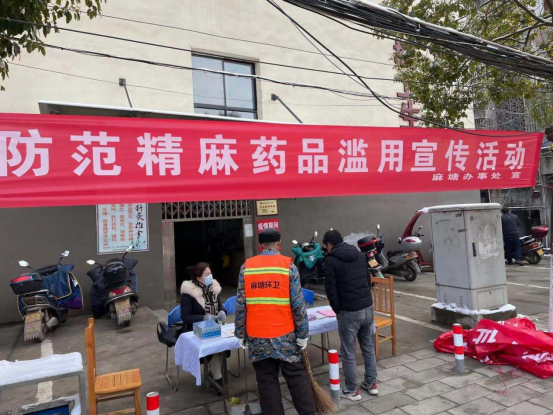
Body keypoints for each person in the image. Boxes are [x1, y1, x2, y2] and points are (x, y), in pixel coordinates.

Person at [235, 228, 315, 415]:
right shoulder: (288, 266)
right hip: (285, 336)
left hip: (257, 336)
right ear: (279, 244)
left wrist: (240, 333)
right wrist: (303, 334)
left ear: (260, 245)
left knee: (266, 381)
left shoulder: (247, 267)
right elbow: (298, 305)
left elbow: (241, 305)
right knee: (296, 377)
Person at [321, 229, 378, 401]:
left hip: (349, 311)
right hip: (367, 307)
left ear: (329, 244)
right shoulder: (358, 254)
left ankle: (353, 390)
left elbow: (330, 290)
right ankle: (371, 383)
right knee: (368, 347)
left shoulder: (330, 260)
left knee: (348, 351)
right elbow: (368, 280)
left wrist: (338, 309)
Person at [180, 262, 227, 392]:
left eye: (210, 273)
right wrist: (203, 318)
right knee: (213, 348)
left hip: (214, 327)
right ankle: (218, 381)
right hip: (194, 330)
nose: (210, 276)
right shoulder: (188, 294)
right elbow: (185, 317)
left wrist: (222, 312)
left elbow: (220, 306)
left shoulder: (214, 289)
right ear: (199, 278)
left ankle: (215, 373)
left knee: (224, 343)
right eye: (207, 274)